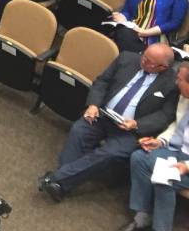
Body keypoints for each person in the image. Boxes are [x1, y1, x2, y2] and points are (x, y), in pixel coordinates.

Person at [38, 44, 179, 202]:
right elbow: (102, 82)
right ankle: (61, 184)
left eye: (149, 61)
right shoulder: (126, 58)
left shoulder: (172, 82)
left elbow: (165, 115)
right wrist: (93, 105)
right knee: (79, 131)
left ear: (163, 67)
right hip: (102, 115)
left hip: (131, 131)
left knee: (109, 153)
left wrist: (137, 124)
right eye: (144, 56)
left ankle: (56, 179)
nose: (143, 61)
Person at [116, 61, 189, 231]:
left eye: (179, 79)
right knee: (139, 158)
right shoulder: (185, 97)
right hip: (177, 150)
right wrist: (161, 142)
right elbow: (177, 125)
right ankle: (143, 217)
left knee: (164, 177)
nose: (175, 82)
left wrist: (186, 166)